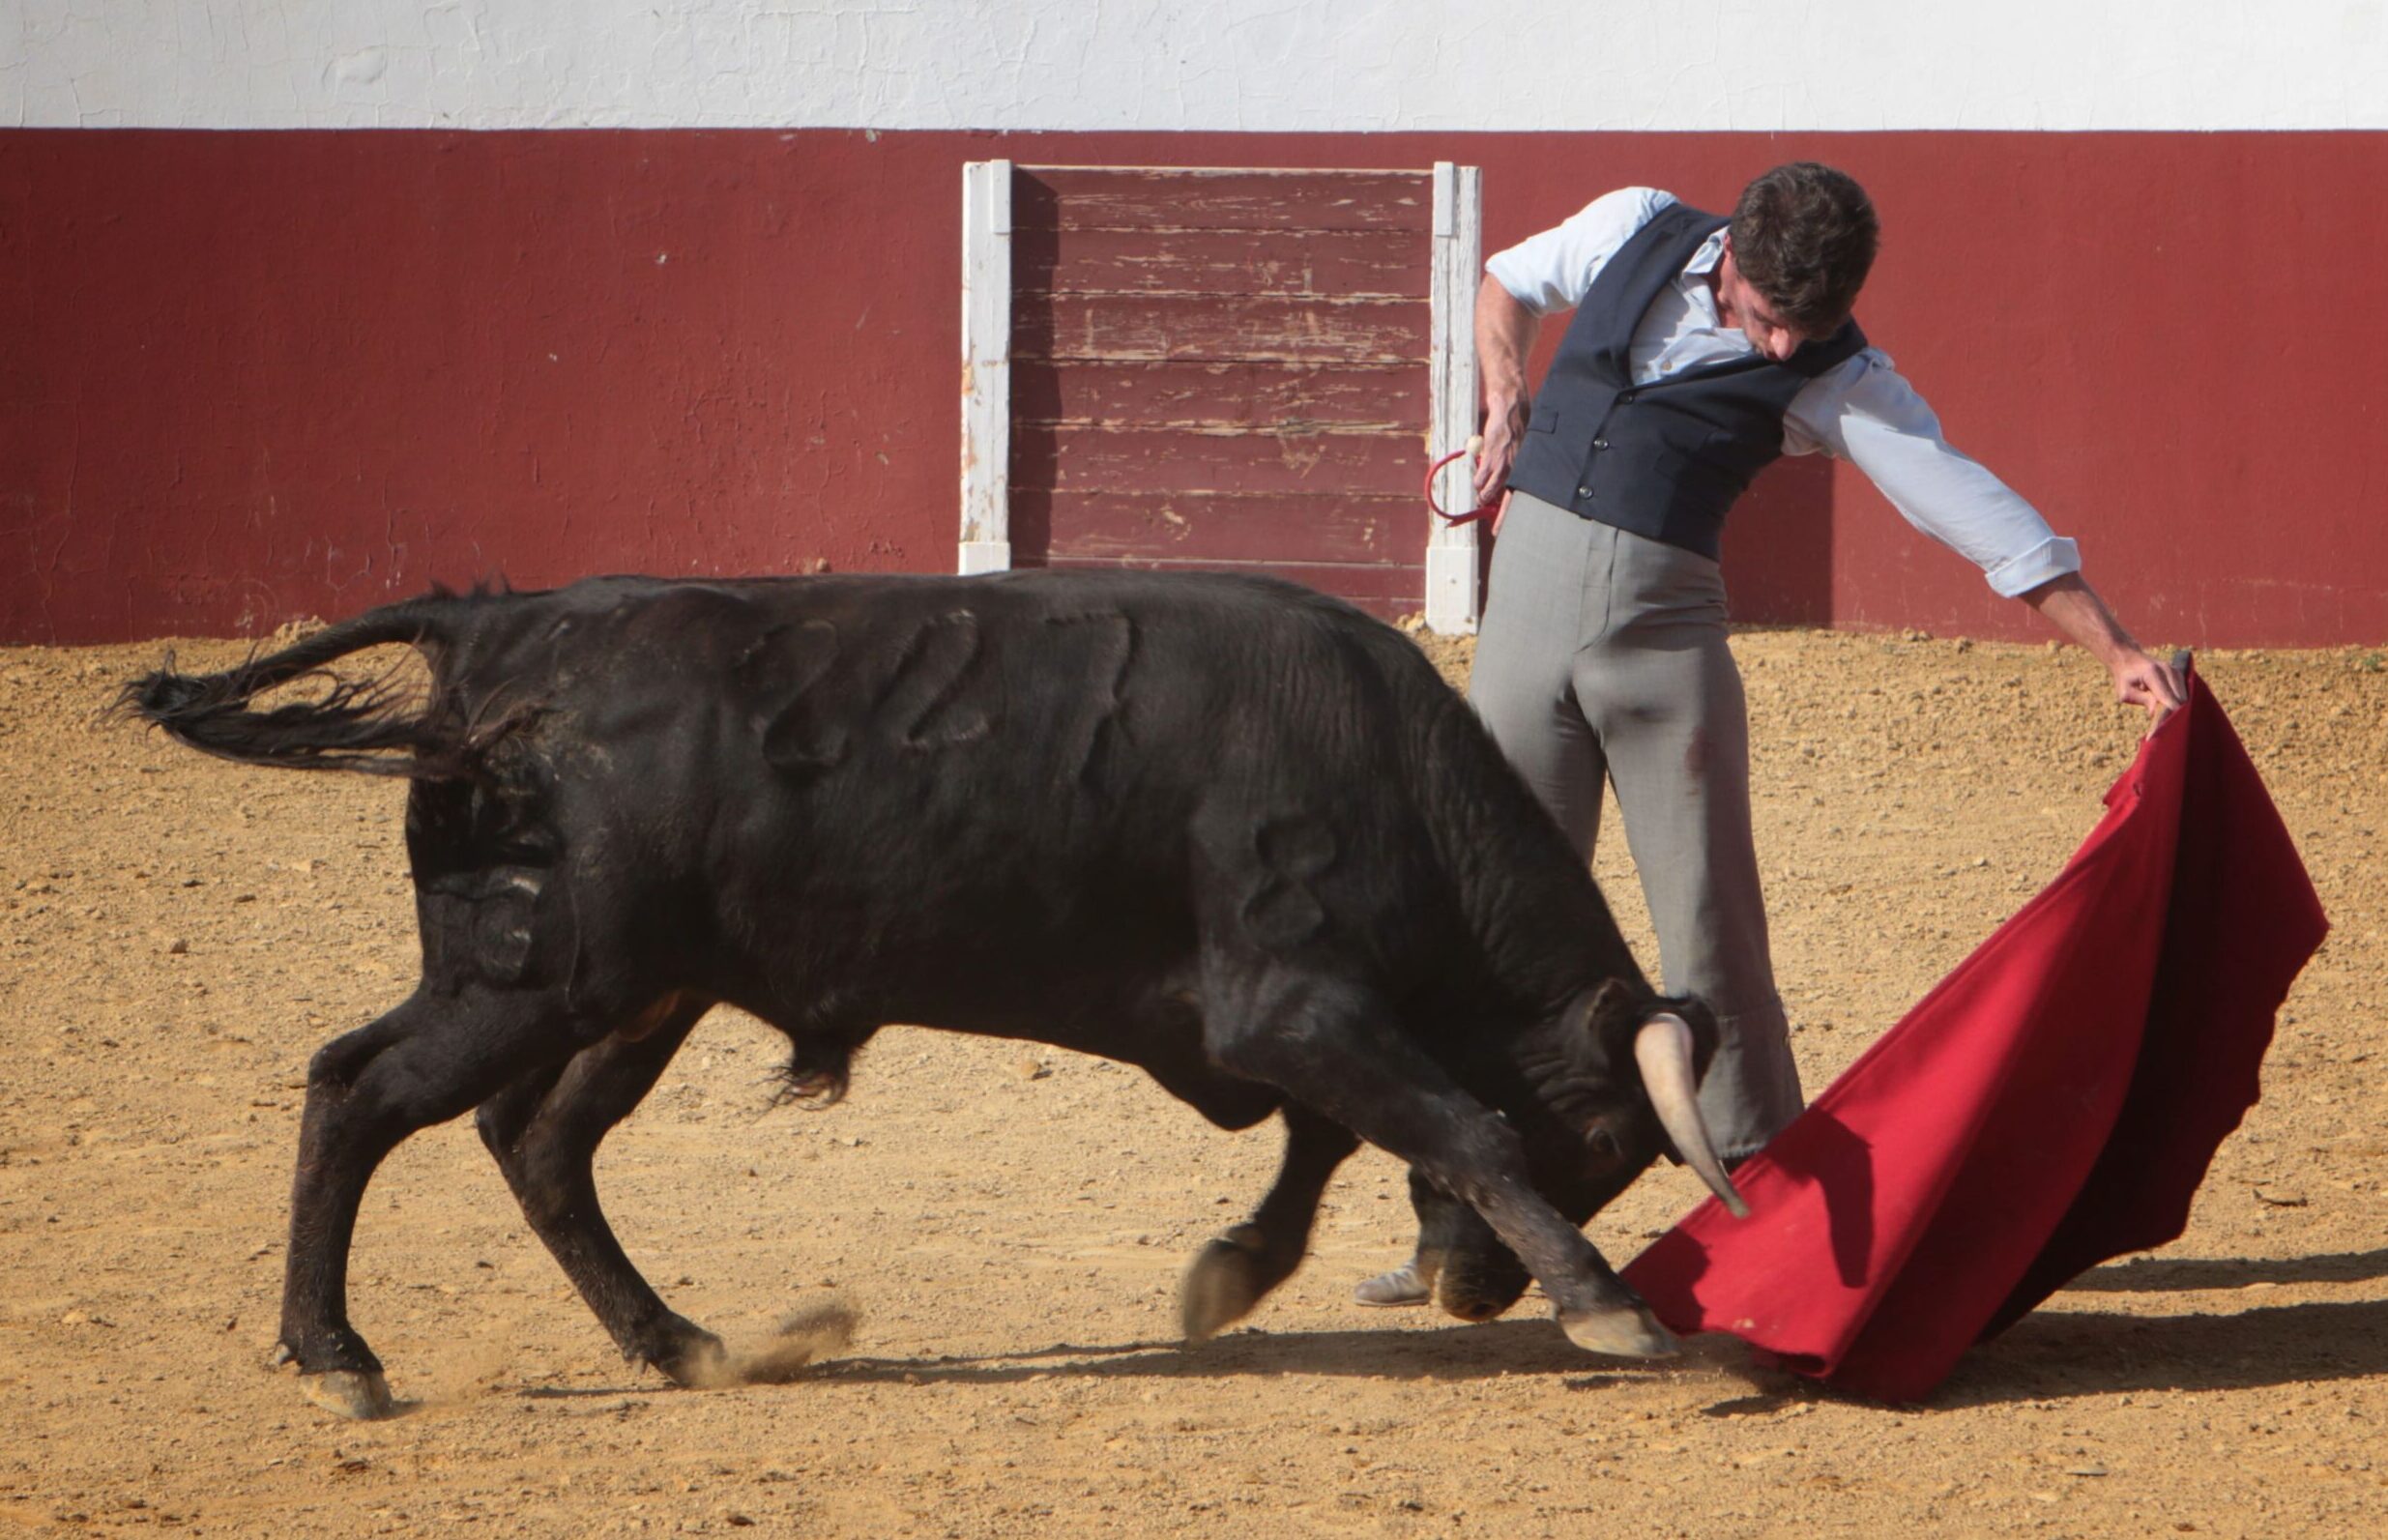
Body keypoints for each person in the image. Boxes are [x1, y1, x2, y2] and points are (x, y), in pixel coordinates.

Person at [1355, 162, 2184, 1308]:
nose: (1786, 351)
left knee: (1712, 939)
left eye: (1812, 327)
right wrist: (1505, 396)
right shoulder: (1632, 228)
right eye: (1766, 320)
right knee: (1491, 931)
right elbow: (1504, 280)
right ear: (1727, 261)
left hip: (1664, 655)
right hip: (1520, 640)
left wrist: (2110, 644)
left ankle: (1779, 1242)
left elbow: (1964, 502)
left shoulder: (1840, 375)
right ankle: (1461, 1230)